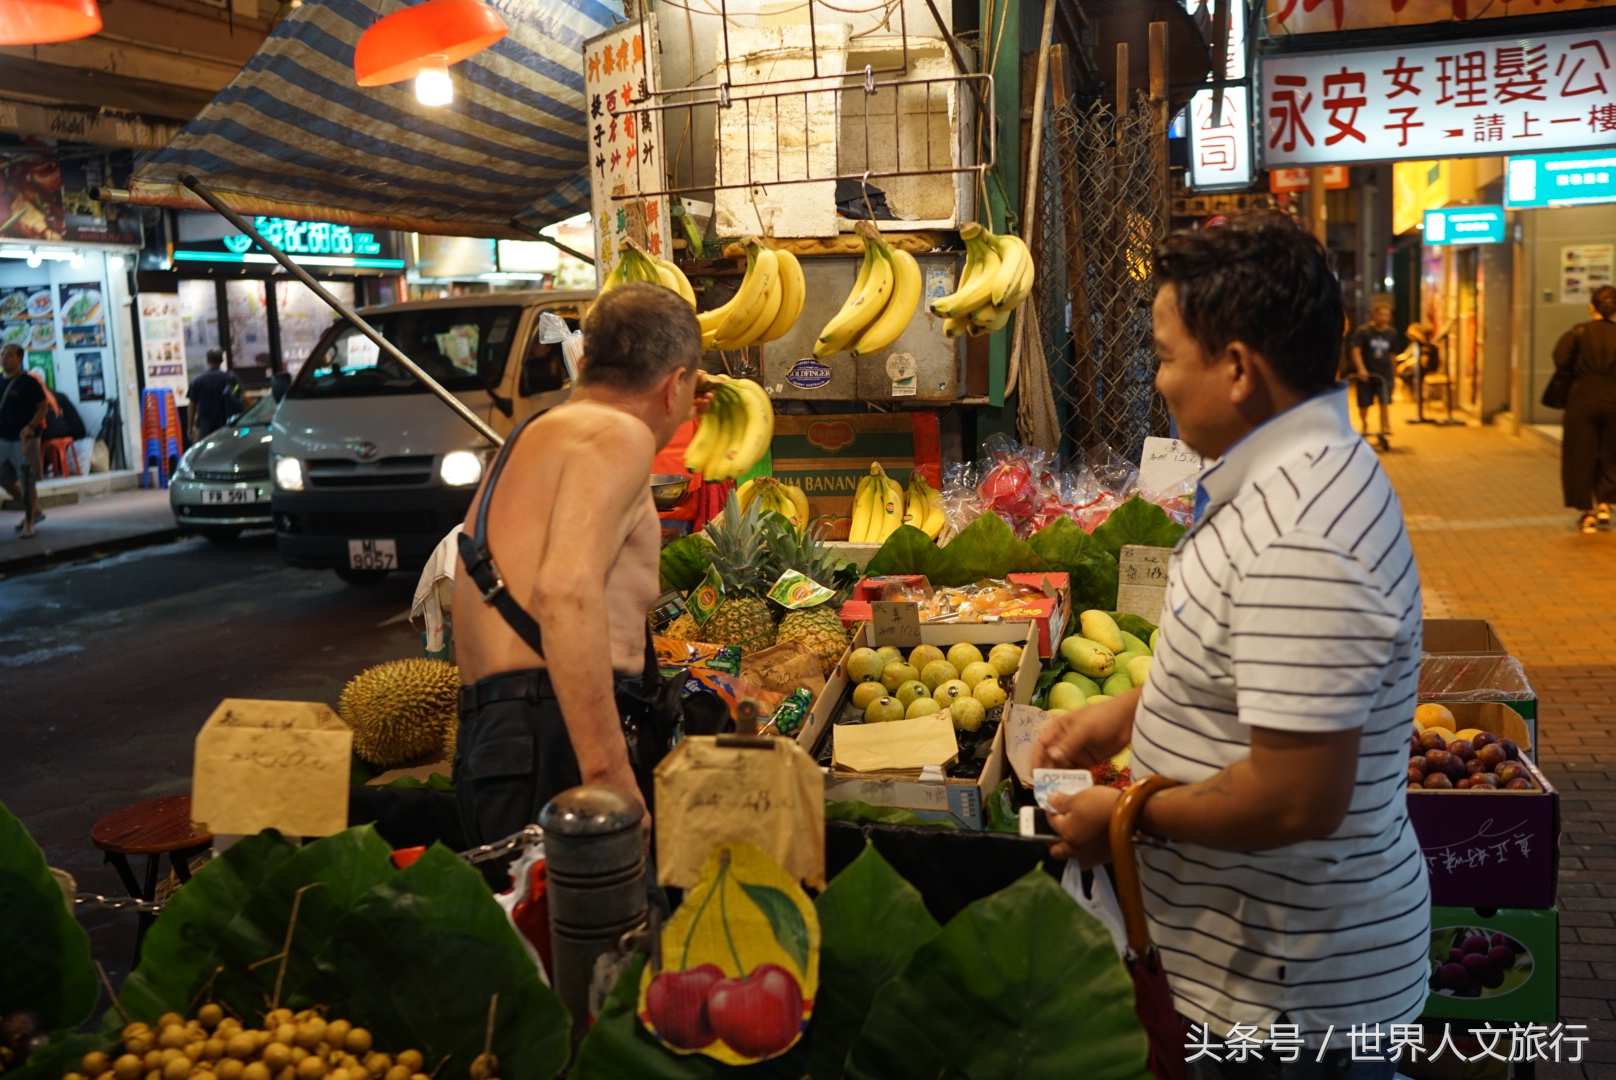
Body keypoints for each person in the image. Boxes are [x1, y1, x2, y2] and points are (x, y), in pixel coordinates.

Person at [1036, 213, 1428, 1078]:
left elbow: (1296, 800)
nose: (1160, 379)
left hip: (1286, 996)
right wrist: (1134, 710)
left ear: (1240, 369)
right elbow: (1264, 674)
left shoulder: (1302, 532)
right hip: (1259, 970)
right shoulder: (1299, 475)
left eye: (1168, 355)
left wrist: (1128, 822)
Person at [451, 282, 703, 869]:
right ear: (674, 385)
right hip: (555, 740)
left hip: (498, 740)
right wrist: (609, 772)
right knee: (591, 951)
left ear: (584, 362)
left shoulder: (536, 434)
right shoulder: (619, 434)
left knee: (529, 949)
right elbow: (565, 590)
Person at [1554, 283, 1616, 533]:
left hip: (1582, 400)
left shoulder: (1578, 332)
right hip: (1614, 400)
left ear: (1592, 307)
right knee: (1612, 454)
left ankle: (1587, 513)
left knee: (1580, 455)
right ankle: (1604, 504)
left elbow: (1560, 358)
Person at [0, 344, 48, 536]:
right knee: (3, 478)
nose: (4, 357)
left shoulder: (28, 382)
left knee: (27, 481)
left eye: (9, 355)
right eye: (2, 354)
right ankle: (34, 509)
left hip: (24, 439)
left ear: (19, 359)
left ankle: (30, 523)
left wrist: (31, 426)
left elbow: (43, 407)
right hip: (3, 437)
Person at [1350, 302, 1405, 449]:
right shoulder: (1364, 332)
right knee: (1364, 403)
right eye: (1381, 314)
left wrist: (1394, 374)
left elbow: (1393, 354)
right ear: (1374, 314)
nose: (1384, 318)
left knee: (1384, 402)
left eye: (1387, 315)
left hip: (1384, 374)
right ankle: (1365, 425)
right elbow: (1356, 351)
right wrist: (1361, 369)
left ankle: (1384, 428)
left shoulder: (1391, 333)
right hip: (1367, 374)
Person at [187, 349, 243, 442]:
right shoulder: (230, 377)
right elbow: (242, 397)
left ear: (207, 360)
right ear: (222, 361)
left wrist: (190, 428)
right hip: (227, 422)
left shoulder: (197, 380)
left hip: (206, 425)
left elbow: (192, 406)